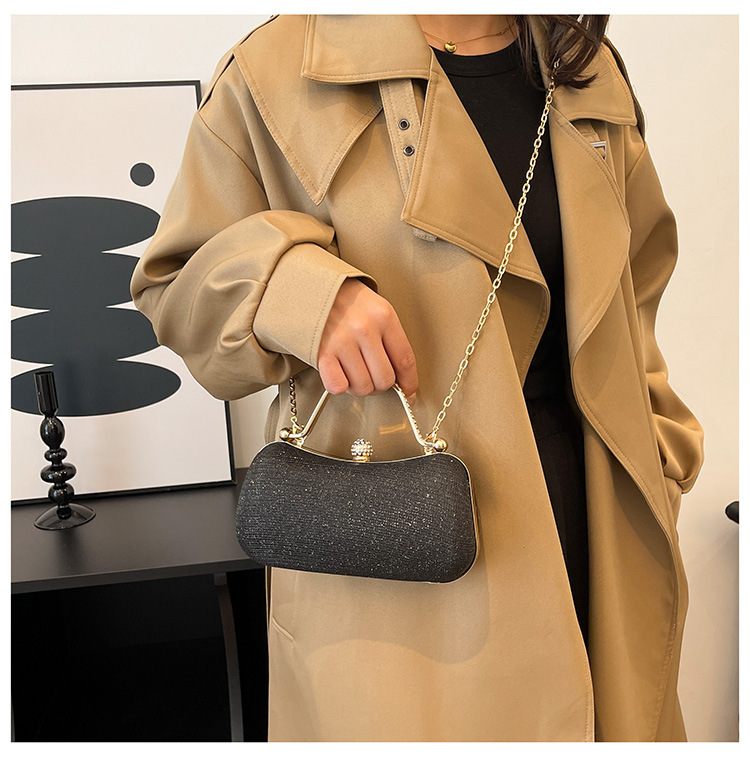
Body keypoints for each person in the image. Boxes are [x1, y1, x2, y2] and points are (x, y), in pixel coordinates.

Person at [130, 14, 705, 742]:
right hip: (399, 559)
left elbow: (636, 286)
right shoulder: (280, 68)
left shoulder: (580, 66)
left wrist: (662, 453)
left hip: (598, 530)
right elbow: (174, 284)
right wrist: (300, 293)